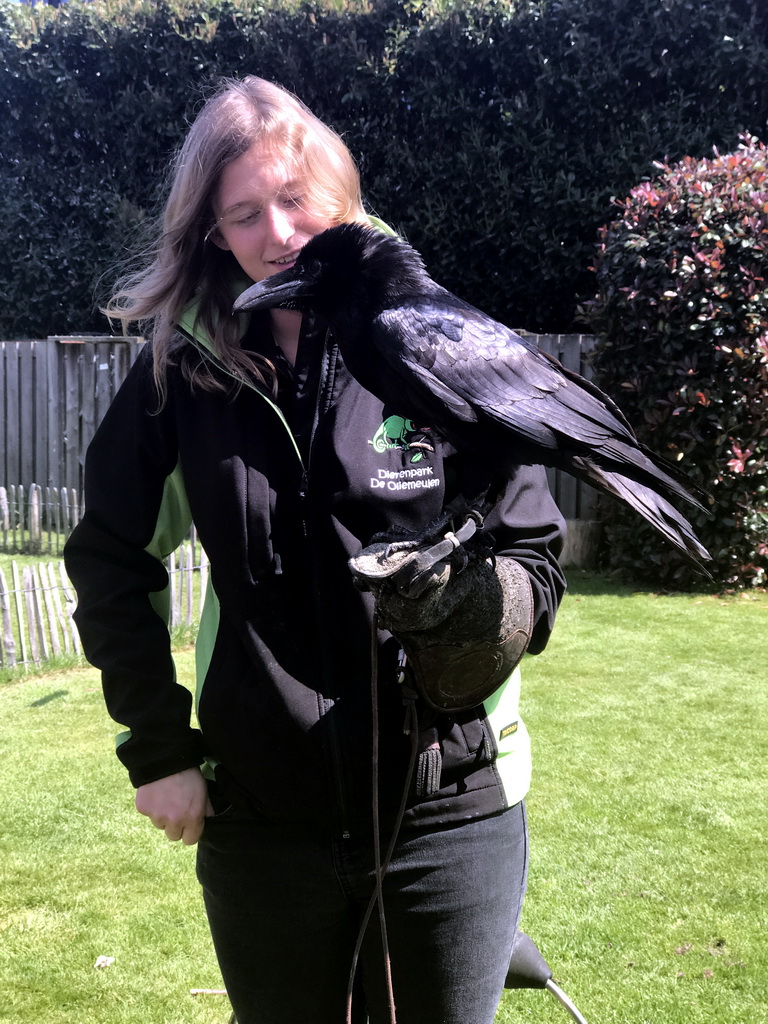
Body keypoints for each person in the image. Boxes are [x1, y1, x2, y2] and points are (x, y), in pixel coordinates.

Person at [64, 76, 567, 1024]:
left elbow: (535, 548)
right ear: (211, 231)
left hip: (450, 807)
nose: (277, 233)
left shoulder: (433, 337)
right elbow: (106, 557)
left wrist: (485, 619)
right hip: (263, 819)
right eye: (244, 214)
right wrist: (158, 749)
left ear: (345, 198)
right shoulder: (184, 364)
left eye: (296, 200)